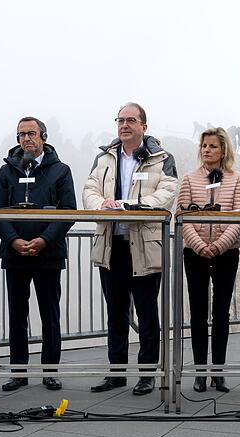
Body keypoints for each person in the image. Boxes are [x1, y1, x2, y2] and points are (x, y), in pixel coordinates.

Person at [82, 102, 178, 395]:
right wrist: (103, 205)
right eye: (120, 120)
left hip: (145, 247)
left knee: (147, 313)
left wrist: (127, 207)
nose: (124, 125)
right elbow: (89, 190)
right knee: (116, 313)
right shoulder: (104, 158)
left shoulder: (161, 158)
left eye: (131, 120)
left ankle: (147, 374)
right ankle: (117, 373)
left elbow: (167, 194)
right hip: (111, 245)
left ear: (144, 126)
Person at [0, 116, 76, 392]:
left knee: (50, 314)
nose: (26, 139)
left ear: (43, 137)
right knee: (17, 315)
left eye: (31, 133)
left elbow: (68, 211)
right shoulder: (6, 172)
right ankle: (18, 372)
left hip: (48, 254)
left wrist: (44, 240)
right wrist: (13, 240)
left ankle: (50, 371)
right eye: (21, 135)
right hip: (14, 254)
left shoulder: (61, 170)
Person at [177, 127, 240, 393]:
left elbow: (239, 217)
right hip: (194, 253)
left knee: (221, 313)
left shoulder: (236, 179)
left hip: (226, 253)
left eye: (213, 146)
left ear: (223, 150)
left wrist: (218, 245)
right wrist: (198, 245)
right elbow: (182, 216)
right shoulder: (189, 178)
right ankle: (200, 372)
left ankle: (218, 371)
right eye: (204, 146)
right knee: (197, 312)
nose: (207, 150)